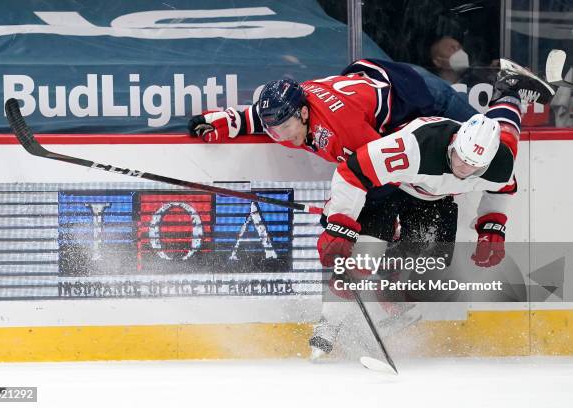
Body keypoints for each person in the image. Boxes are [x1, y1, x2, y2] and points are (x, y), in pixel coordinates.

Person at [311, 60, 555, 358]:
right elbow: (351, 173)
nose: (465, 170)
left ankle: (509, 89)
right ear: (454, 143)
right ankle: (327, 327)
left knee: (424, 254)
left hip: (431, 199)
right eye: (461, 159)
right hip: (391, 187)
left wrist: (492, 228)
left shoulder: (497, 162)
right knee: (360, 260)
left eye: (475, 166)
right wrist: (339, 223)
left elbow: (502, 186)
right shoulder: (412, 148)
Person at [188, 58, 479, 166]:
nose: (280, 137)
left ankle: (512, 92)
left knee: (491, 144)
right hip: (384, 82)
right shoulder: (291, 109)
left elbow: (381, 169)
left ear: (303, 114)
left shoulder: (341, 132)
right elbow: (263, 117)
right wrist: (224, 122)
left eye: (283, 128)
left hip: (422, 93)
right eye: (273, 130)